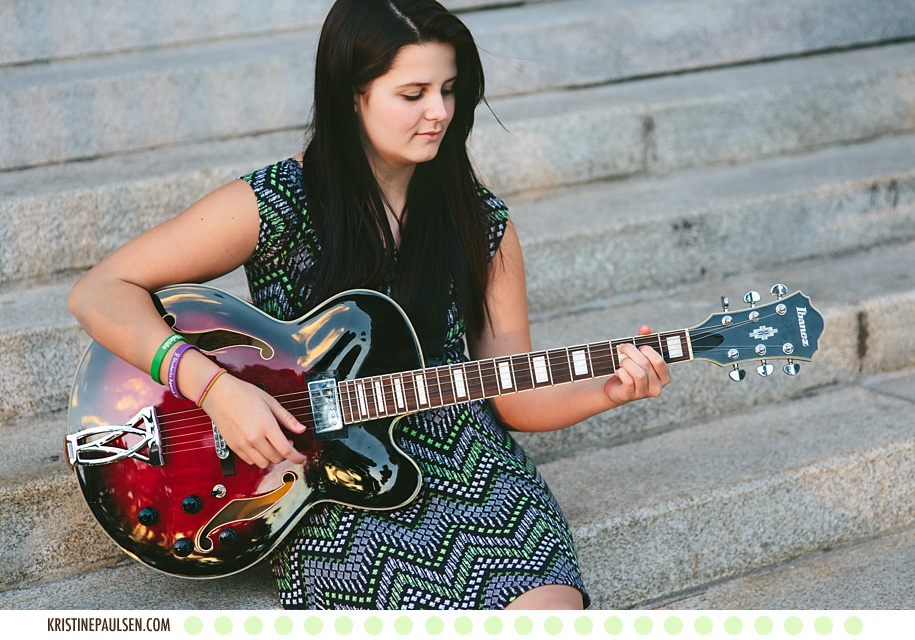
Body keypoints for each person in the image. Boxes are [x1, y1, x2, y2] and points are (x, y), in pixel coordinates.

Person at [67, 0, 670, 610]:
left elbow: (511, 394)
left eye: (450, 89)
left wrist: (608, 389)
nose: (439, 112)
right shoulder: (278, 202)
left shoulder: (480, 223)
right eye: (413, 94)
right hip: (320, 473)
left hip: (465, 458)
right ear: (353, 94)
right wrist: (215, 390)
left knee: (550, 611)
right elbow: (98, 291)